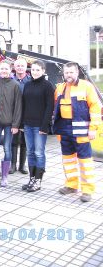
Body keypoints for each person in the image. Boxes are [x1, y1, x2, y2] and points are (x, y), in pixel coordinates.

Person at [53, 62, 101, 202]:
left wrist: (93, 129)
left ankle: (87, 190)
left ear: (77, 72)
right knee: (68, 160)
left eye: (71, 72)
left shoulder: (86, 86)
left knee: (85, 161)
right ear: (63, 73)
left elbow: (95, 108)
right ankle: (71, 185)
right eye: (66, 72)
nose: (69, 75)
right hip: (64, 129)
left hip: (82, 130)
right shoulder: (60, 88)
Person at [21, 60, 54, 192]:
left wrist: (44, 126)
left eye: (37, 70)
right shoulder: (28, 85)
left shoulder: (47, 86)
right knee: (30, 152)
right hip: (28, 125)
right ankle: (32, 178)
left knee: (39, 153)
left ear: (43, 71)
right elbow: (24, 105)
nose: (34, 72)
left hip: (40, 126)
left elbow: (49, 107)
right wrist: (22, 123)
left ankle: (38, 181)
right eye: (33, 70)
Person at [0, 60, 22, 187]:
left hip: (9, 124)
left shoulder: (15, 86)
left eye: (6, 69)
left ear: (10, 70)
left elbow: (18, 106)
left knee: (7, 149)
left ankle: (4, 177)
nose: (4, 71)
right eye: (2, 69)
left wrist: (15, 125)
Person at [11, 58, 31, 174]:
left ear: (25, 67)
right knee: (13, 140)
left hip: (26, 114)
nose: (19, 68)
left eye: (22, 66)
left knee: (24, 140)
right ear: (14, 67)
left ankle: (22, 165)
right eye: (17, 66)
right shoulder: (10, 79)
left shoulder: (30, 80)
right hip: (12, 114)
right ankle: (13, 165)